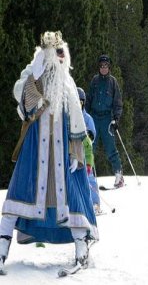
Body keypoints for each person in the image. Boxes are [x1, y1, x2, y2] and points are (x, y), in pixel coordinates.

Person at [0, 31, 98, 273]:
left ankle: (81, 250)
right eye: (57, 53)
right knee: (18, 195)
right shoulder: (32, 73)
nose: (61, 58)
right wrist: (34, 75)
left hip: (62, 150)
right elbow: (22, 102)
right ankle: (1, 252)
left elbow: (76, 118)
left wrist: (76, 151)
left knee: (71, 198)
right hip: (34, 149)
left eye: (62, 53)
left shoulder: (67, 82)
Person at [85, 55, 124, 188]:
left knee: (110, 148)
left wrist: (116, 120)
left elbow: (117, 103)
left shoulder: (113, 82)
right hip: (94, 117)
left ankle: (119, 175)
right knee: (90, 147)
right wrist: (85, 117)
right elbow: (88, 100)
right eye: (101, 66)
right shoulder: (95, 81)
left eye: (106, 66)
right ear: (99, 67)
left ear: (109, 67)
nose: (103, 68)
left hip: (107, 118)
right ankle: (88, 176)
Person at [77, 87, 102, 215]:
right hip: (73, 153)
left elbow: (92, 133)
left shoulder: (87, 118)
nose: (78, 105)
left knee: (89, 178)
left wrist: (89, 135)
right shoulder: (69, 117)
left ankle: (95, 203)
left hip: (85, 153)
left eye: (80, 102)